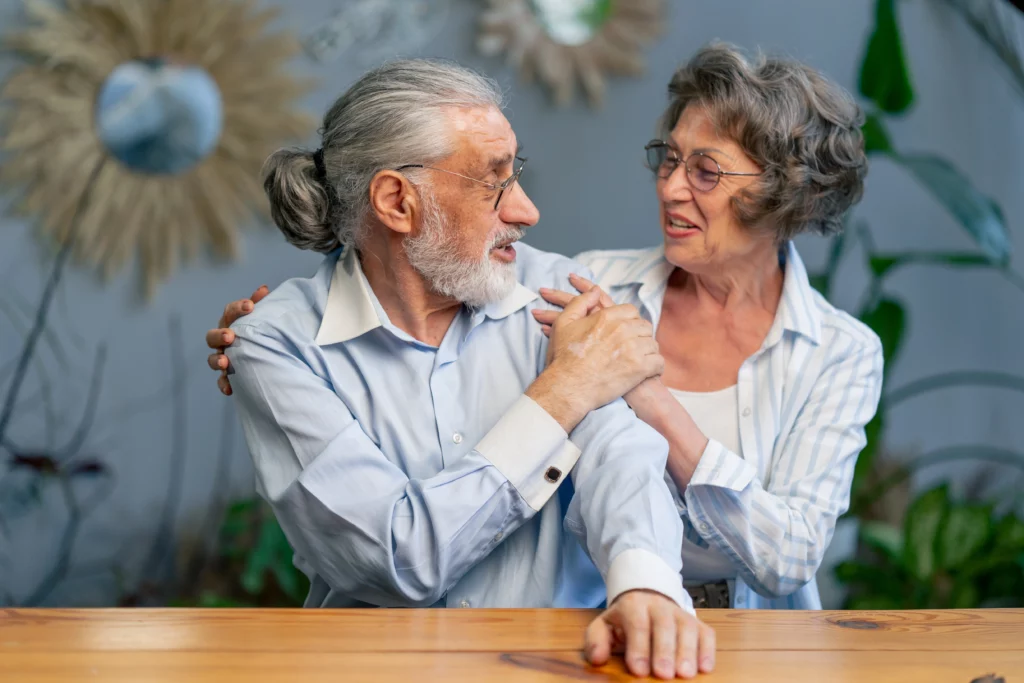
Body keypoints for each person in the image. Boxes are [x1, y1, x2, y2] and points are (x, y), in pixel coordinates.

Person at [210, 59, 714, 680]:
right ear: (398, 201)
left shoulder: (556, 291)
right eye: (493, 182)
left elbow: (620, 454)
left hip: (561, 666)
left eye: (516, 173)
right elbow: (398, 558)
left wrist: (646, 586)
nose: (526, 212)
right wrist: (562, 391)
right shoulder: (276, 345)